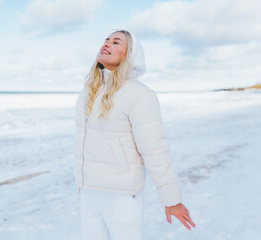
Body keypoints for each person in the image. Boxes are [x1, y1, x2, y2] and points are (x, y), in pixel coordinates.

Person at [73, 29, 196, 240]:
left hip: (121, 196)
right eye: (106, 40)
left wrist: (171, 199)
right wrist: (82, 181)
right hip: (89, 192)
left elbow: (155, 149)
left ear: (129, 55)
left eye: (116, 42)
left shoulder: (140, 95)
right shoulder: (88, 91)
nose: (108, 44)